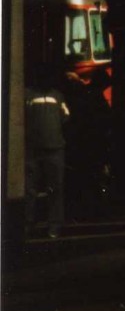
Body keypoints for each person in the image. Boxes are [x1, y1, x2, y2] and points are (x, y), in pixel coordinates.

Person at [24, 70, 69, 238]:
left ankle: (54, 225)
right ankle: (29, 223)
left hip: (54, 149)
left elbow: (65, 117)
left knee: (55, 188)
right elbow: (64, 118)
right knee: (30, 189)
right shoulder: (27, 95)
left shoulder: (57, 96)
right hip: (34, 149)